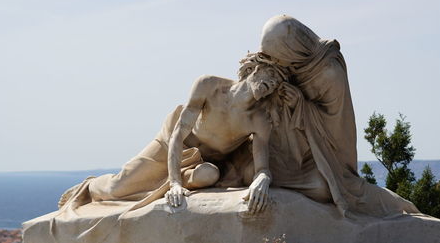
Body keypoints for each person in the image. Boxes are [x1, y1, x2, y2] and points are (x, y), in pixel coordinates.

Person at [58, 55, 289, 214]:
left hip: (206, 164)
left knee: (208, 175)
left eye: (277, 81)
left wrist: (263, 178)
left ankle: (180, 182)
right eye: (270, 74)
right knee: (116, 189)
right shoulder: (210, 86)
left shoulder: (260, 119)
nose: (271, 82)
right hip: (170, 147)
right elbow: (179, 133)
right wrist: (175, 184)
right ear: (255, 68)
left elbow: (262, 166)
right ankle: (90, 186)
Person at [258, 15, 419, 218]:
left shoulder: (328, 72)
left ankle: (396, 205)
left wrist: (300, 104)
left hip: (324, 154)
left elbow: (334, 127)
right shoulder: (293, 63)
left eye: (277, 56)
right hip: (291, 147)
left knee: (333, 187)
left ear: (291, 49)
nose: (275, 62)